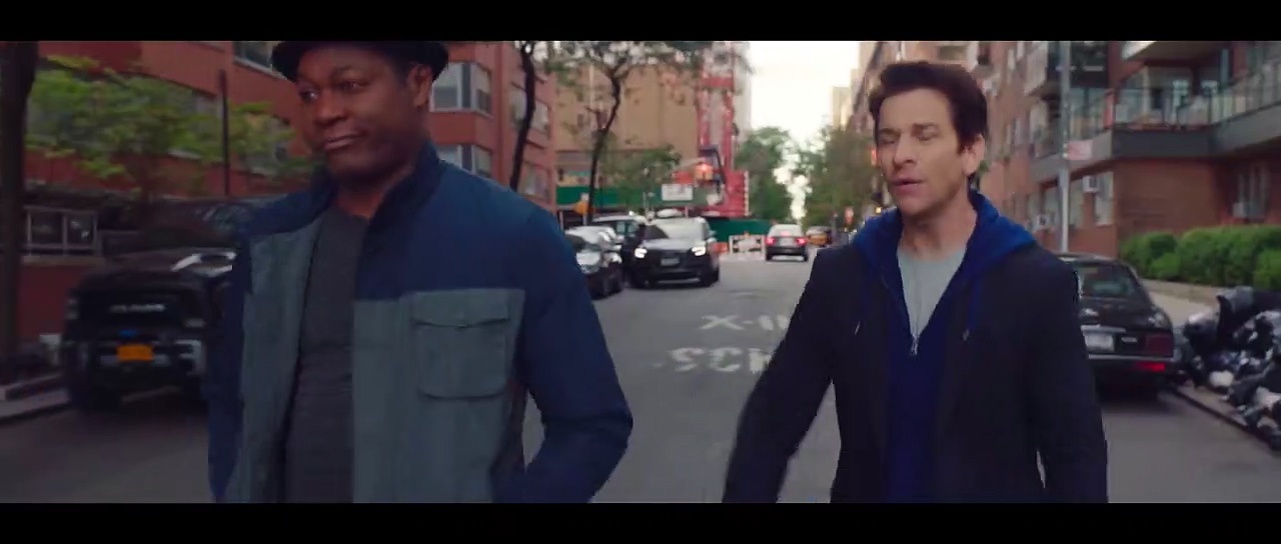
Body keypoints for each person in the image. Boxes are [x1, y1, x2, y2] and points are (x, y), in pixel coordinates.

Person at [206, 41, 632, 503]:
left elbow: (590, 425)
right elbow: (234, 407)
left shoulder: (515, 236)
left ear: (417, 83)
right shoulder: (270, 242)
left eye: (350, 85)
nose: (325, 112)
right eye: (309, 94)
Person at [722, 60, 1107, 503]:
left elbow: (1074, 452)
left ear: (970, 152)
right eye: (889, 139)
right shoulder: (843, 275)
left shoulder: (1035, 284)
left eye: (924, 136)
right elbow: (772, 420)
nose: (901, 154)